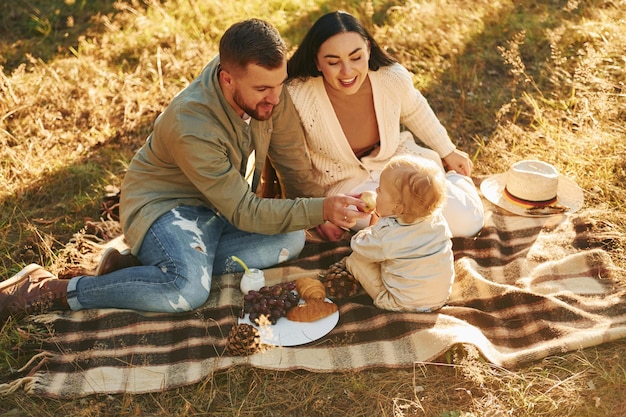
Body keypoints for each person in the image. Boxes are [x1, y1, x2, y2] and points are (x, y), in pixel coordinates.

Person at [0, 19, 368, 319]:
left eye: (279, 85)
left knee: (291, 237)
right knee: (187, 290)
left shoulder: (269, 91)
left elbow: (292, 162)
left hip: (215, 209)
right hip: (165, 208)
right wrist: (320, 208)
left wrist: (319, 211)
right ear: (227, 78)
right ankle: (52, 289)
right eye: (262, 89)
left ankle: (146, 266)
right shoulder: (191, 124)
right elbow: (244, 210)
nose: (275, 97)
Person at [286, 11, 484, 242]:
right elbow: (292, 161)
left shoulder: (391, 77)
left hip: (398, 165)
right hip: (346, 188)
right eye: (333, 62)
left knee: (467, 222)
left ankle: (453, 182)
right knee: (391, 234)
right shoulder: (297, 94)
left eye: (356, 57)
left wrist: (448, 151)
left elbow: (415, 109)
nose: (347, 71)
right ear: (317, 61)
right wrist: (319, 213)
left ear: (368, 50)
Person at [345, 155, 454, 312]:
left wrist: (372, 225)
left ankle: (385, 295)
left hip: (402, 304)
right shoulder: (437, 221)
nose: (376, 191)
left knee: (355, 260)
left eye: (381, 190)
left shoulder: (387, 234)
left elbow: (359, 246)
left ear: (398, 208)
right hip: (439, 298)